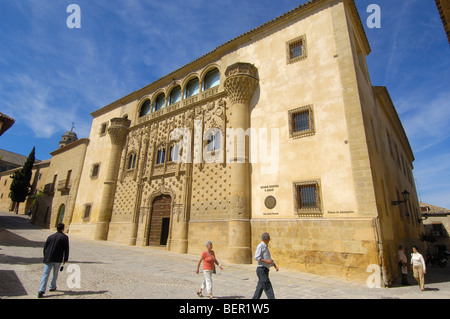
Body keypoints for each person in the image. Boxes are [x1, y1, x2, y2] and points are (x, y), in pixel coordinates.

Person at [38, 223, 69, 298]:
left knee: (45, 274)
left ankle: (41, 290)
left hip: (49, 258)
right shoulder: (64, 237)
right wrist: (65, 259)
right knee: (55, 273)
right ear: (63, 229)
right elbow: (66, 249)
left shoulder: (50, 237)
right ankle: (52, 287)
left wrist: (45, 256)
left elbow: (45, 248)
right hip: (58, 259)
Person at [252, 232, 279, 299]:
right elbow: (257, 257)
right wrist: (266, 261)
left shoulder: (265, 246)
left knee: (260, 287)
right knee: (268, 286)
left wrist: (274, 265)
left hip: (265, 270)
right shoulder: (260, 246)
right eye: (269, 239)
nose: (269, 240)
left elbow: (268, 258)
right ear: (266, 239)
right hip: (261, 270)